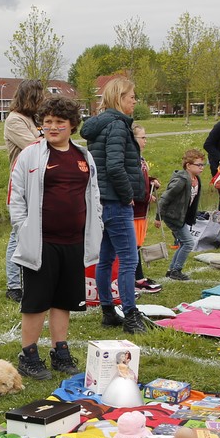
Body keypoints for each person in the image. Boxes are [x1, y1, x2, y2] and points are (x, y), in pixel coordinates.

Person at [8, 95, 102, 379]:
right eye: (47, 121)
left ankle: (60, 351)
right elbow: (16, 196)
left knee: (64, 300)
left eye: (59, 122)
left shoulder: (83, 156)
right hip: (41, 243)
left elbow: (94, 195)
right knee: (36, 301)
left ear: (72, 125)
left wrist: (95, 223)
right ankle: (29, 355)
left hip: (74, 242)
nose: (52, 127)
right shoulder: (31, 154)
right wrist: (23, 228)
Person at [83, 76, 149, 333]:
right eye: (132, 97)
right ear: (120, 98)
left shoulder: (100, 125)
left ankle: (108, 311)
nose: (135, 101)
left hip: (101, 201)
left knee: (106, 258)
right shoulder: (118, 126)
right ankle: (131, 314)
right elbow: (114, 165)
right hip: (115, 201)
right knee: (129, 260)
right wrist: (127, 194)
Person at [3, 79, 44, 303]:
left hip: (39, 182)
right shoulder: (14, 120)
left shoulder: (33, 119)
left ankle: (34, 278)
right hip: (22, 184)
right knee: (18, 233)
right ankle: (14, 285)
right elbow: (36, 146)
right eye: (40, 96)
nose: (43, 100)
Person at [155, 148, 207, 282]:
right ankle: (176, 270)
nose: (202, 167)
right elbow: (165, 198)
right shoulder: (181, 180)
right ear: (188, 165)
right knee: (189, 243)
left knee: (185, 242)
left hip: (181, 216)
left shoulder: (196, 179)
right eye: (199, 165)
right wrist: (158, 217)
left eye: (203, 165)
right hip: (173, 216)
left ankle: (172, 270)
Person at [129, 125, 163, 293]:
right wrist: (147, 196)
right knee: (132, 246)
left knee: (137, 244)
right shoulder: (131, 159)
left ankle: (137, 278)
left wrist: (151, 181)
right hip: (133, 212)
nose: (145, 141)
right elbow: (131, 184)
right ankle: (137, 279)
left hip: (141, 212)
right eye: (142, 137)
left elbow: (141, 180)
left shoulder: (140, 158)